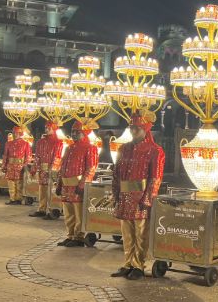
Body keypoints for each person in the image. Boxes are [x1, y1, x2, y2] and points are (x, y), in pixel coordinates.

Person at [110, 110, 165, 280]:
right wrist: (116, 194)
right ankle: (128, 263)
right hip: (125, 196)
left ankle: (138, 265)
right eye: (132, 127)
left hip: (141, 197)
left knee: (141, 233)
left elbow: (155, 177)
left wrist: (148, 198)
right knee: (126, 233)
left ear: (146, 129)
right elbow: (117, 174)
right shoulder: (124, 148)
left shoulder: (155, 150)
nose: (133, 131)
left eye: (137, 128)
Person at [56, 119, 99, 247]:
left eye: (77, 132)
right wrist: (59, 184)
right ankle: (70, 235)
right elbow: (62, 167)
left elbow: (91, 168)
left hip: (78, 186)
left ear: (84, 133)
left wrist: (82, 185)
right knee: (68, 213)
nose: (74, 134)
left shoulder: (91, 148)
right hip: (66, 185)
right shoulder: (69, 148)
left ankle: (79, 237)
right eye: (72, 131)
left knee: (79, 213)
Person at [29, 121, 64, 218]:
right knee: (42, 189)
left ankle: (51, 210)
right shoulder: (41, 142)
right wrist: (34, 168)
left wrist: (53, 170)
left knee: (51, 190)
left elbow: (57, 157)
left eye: (49, 128)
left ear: (54, 129)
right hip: (42, 170)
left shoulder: (59, 142)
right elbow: (37, 156)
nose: (46, 129)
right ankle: (41, 209)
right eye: (46, 127)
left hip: (52, 171)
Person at [1, 126, 32, 205]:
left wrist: (25, 165)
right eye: (14, 132)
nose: (15, 134)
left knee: (19, 183)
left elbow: (28, 156)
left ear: (20, 133)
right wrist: (4, 166)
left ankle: (18, 199)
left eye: (17, 133)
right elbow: (5, 156)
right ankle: (12, 199)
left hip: (20, 166)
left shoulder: (26, 144)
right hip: (10, 165)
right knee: (11, 183)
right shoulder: (8, 143)